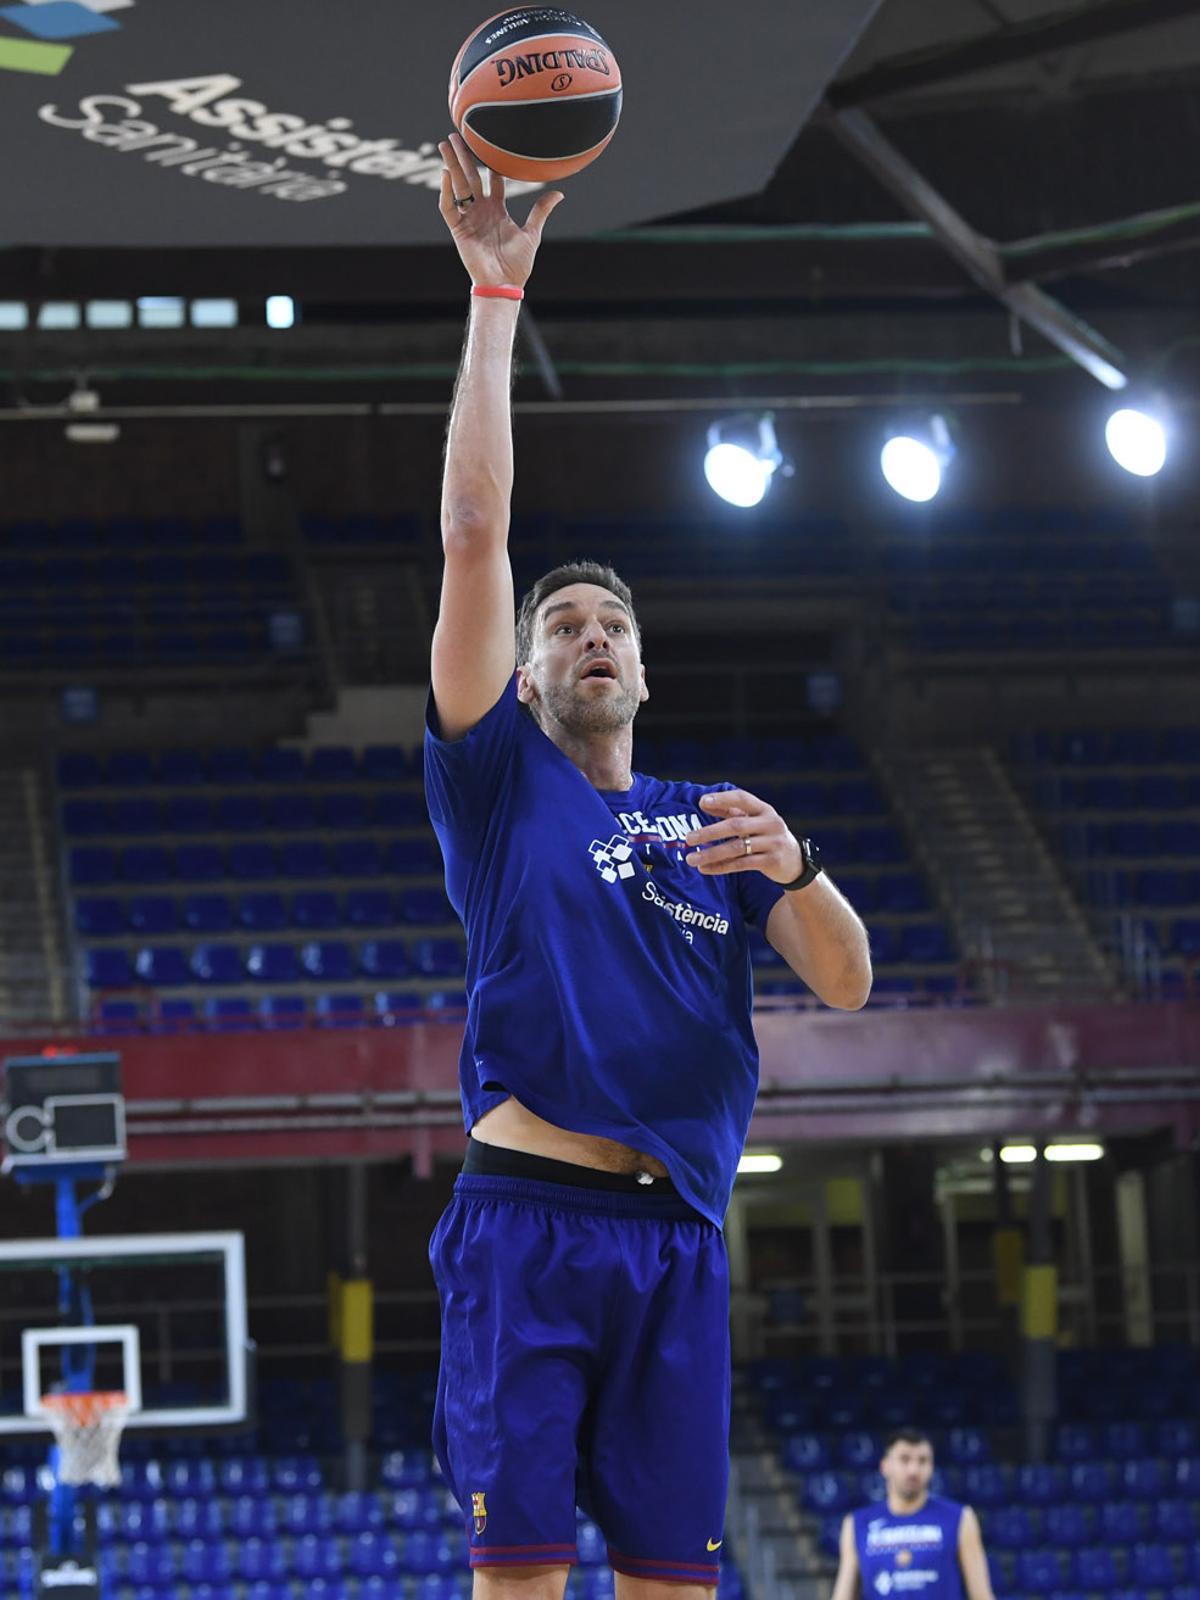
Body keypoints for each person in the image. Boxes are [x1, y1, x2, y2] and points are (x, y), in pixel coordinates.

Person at [424, 130, 873, 1600]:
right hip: (526, 1225)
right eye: (564, 630)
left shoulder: (715, 818)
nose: (591, 637)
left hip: (674, 1234)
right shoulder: (501, 787)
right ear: (533, 682)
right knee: (525, 1582)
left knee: (679, 1586)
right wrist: (497, 300)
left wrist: (800, 864)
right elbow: (478, 533)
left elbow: (850, 985)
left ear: (644, 667)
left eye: (611, 624)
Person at [831, 1428, 996, 1600]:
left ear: (932, 1467)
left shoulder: (960, 1517)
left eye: (923, 1461)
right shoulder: (857, 1523)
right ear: (885, 1466)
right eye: (904, 1459)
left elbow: (982, 1595)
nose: (913, 1470)